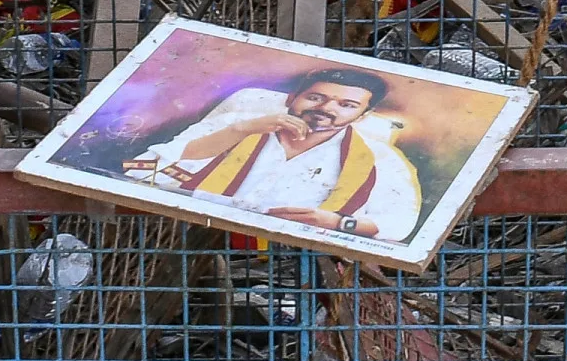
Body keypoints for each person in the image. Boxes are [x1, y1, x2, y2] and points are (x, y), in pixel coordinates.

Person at [120, 68, 422, 242]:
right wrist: (241, 131)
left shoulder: (380, 160)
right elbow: (141, 169)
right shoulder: (237, 123)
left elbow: (399, 224)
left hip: (289, 259)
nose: (326, 109)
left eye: (346, 105)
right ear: (293, 98)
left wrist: (336, 222)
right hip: (181, 234)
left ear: (361, 116)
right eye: (316, 97)